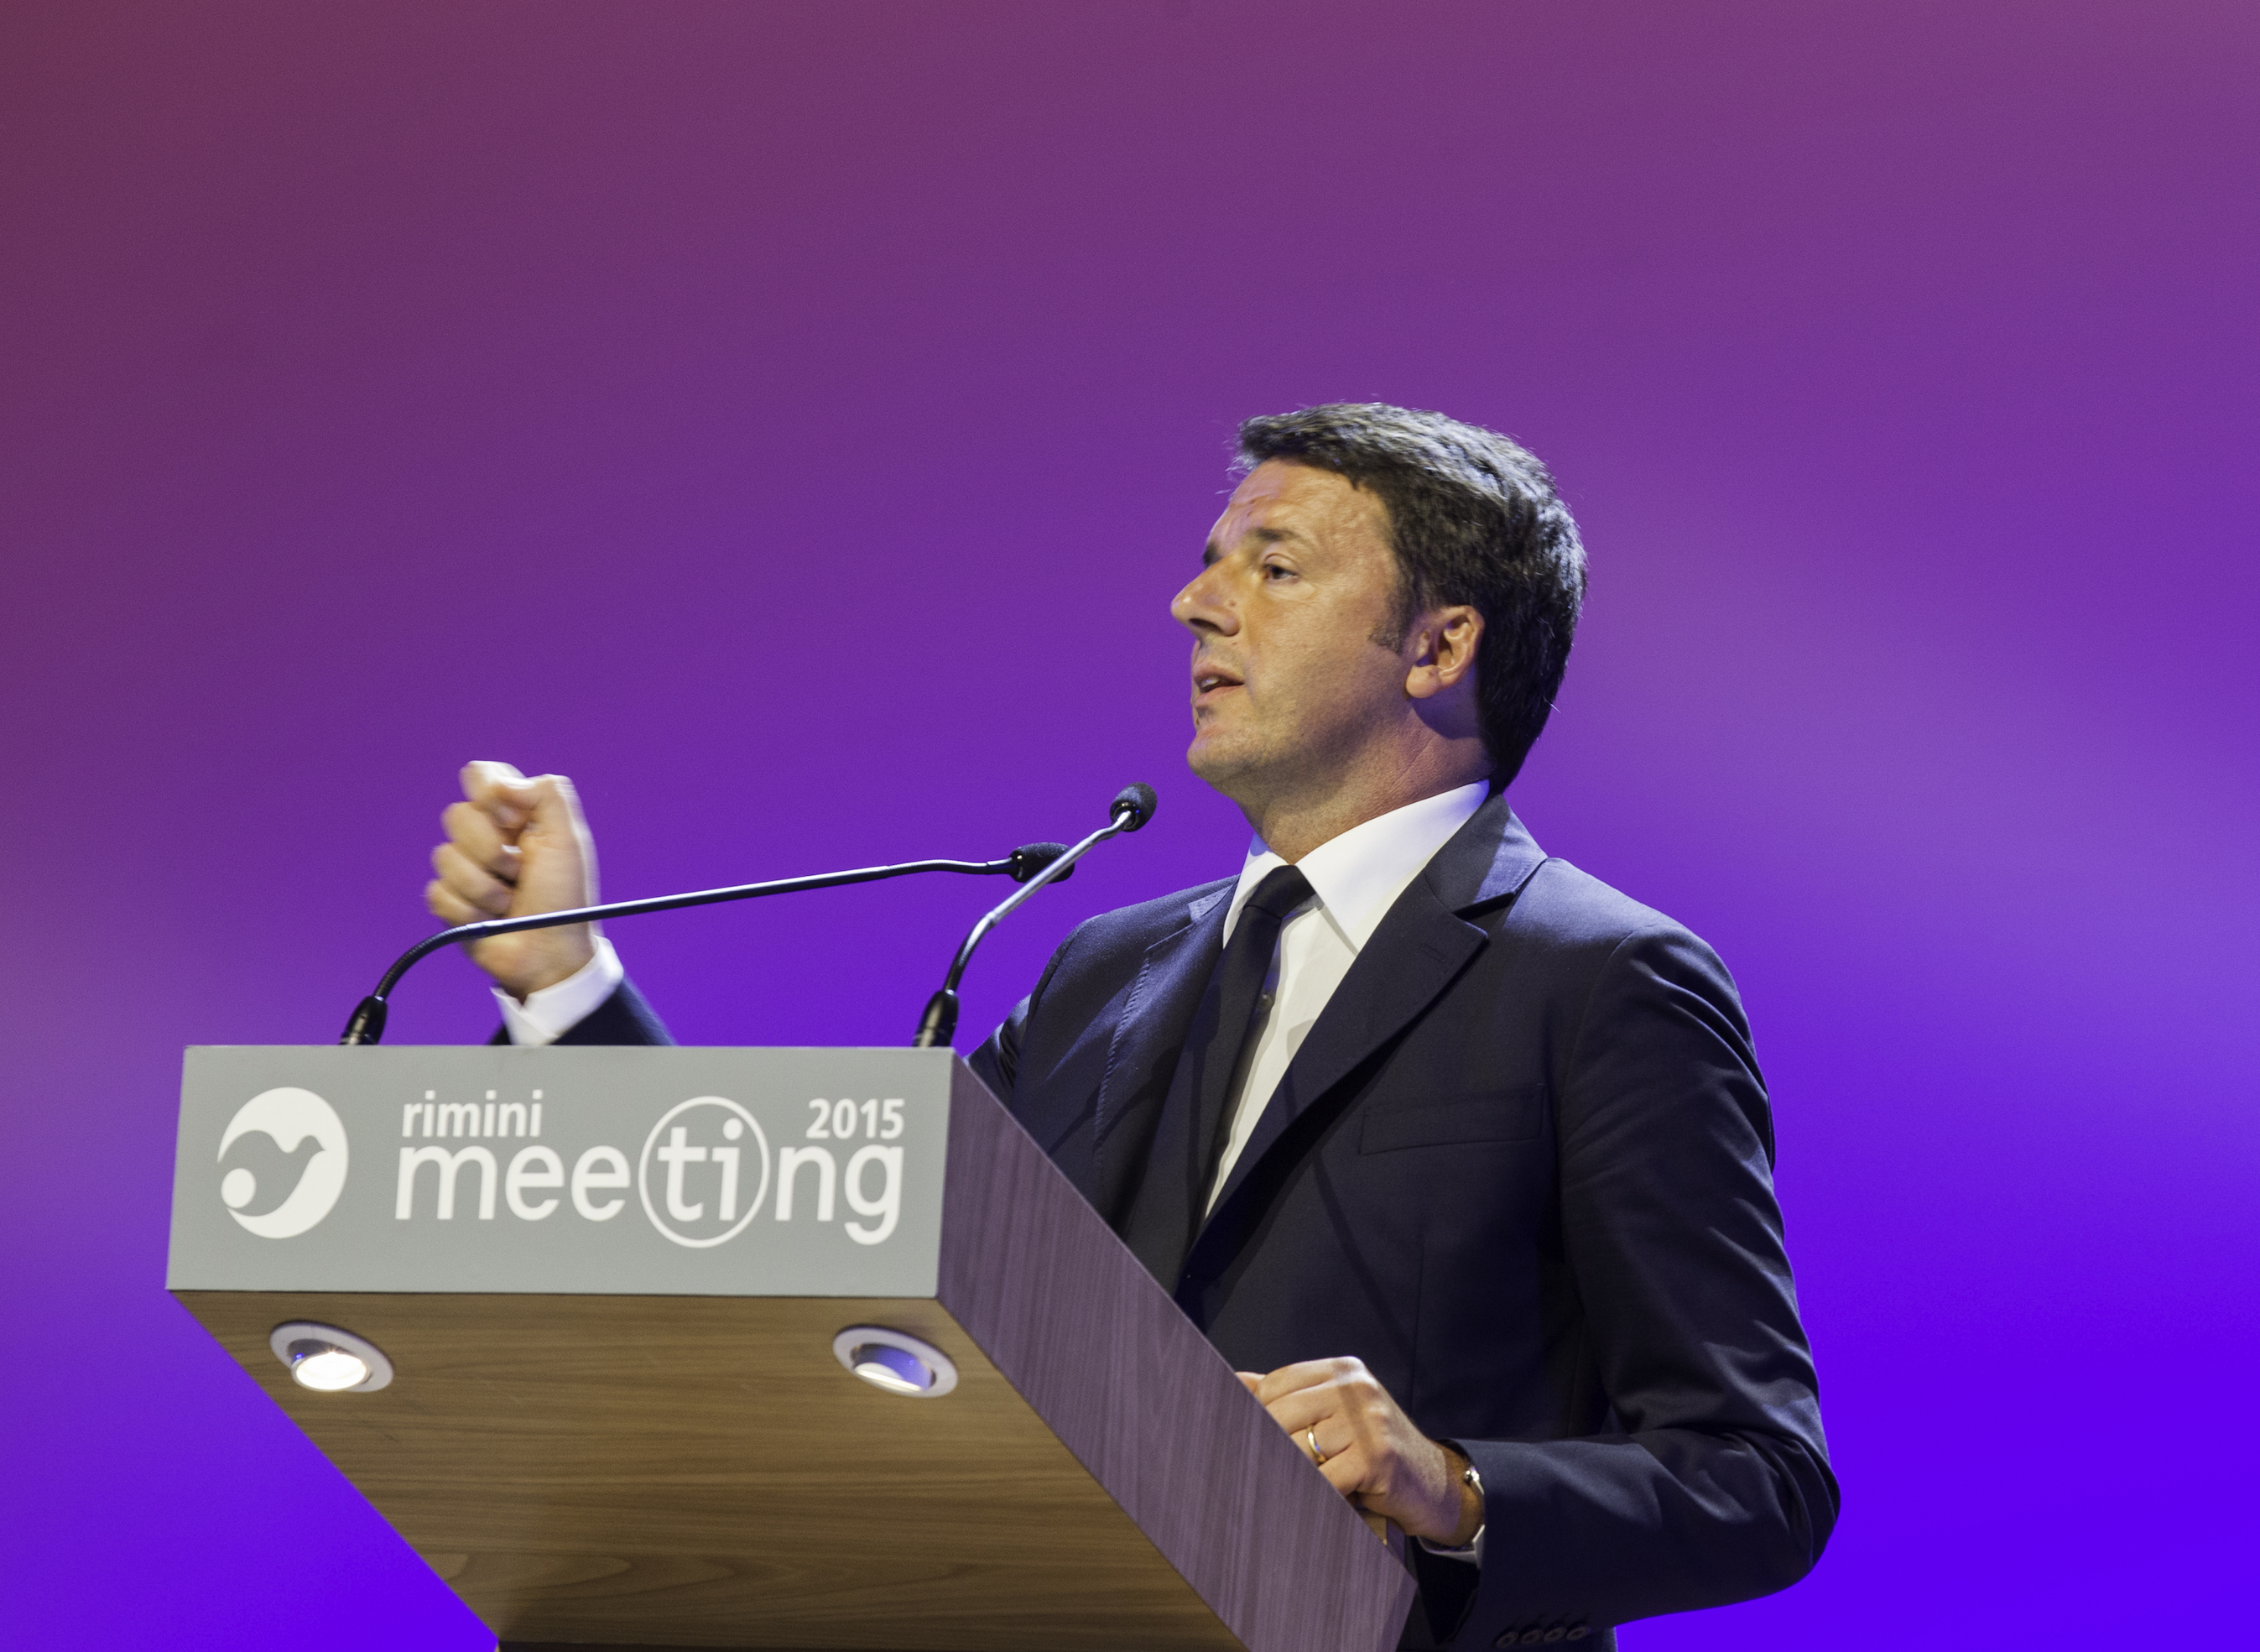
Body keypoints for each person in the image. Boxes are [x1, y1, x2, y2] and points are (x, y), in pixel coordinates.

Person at [421, 404, 1835, 1648]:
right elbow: (823, 1265)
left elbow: (1754, 1474)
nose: (1193, 603)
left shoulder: (1601, 979)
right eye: (1212, 563)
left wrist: (1455, 1484)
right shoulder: (1103, 970)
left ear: (1437, 644)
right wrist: (564, 985)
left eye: (1272, 566)